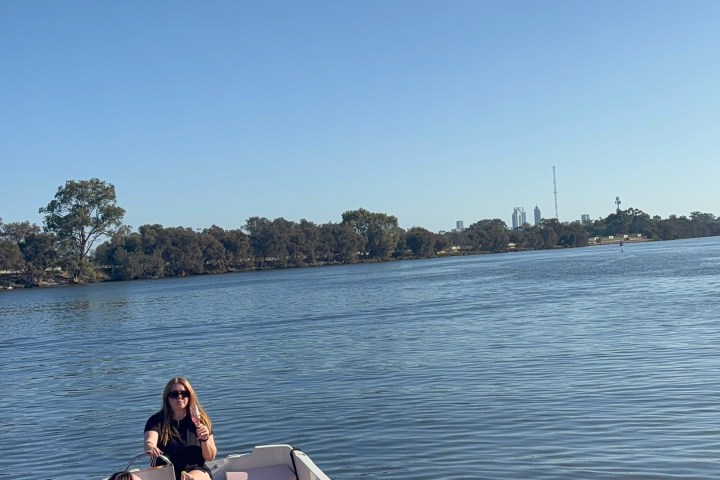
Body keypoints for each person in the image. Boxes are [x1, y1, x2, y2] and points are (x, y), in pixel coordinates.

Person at [144, 377, 217, 480]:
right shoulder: (156, 420)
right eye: (174, 394)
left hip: (196, 471)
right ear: (167, 398)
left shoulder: (200, 419)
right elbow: (149, 441)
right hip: (165, 471)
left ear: (190, 396)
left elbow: (210, 457)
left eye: (184, 393)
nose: (180, 397)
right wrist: (151, 447)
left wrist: (205, 439)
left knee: (190, 478)